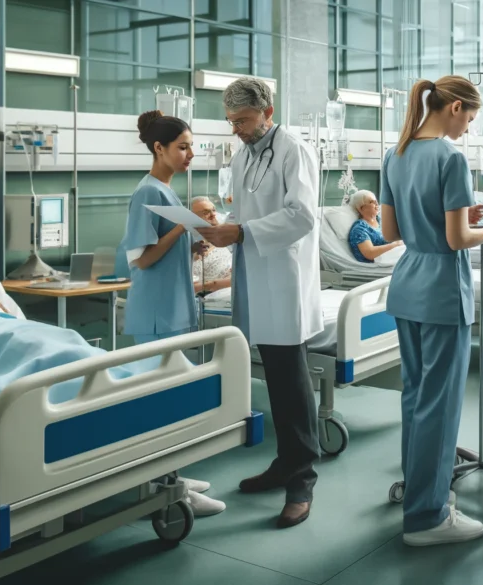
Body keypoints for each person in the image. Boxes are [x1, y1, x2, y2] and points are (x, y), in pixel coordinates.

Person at [380, 75, 483, 547]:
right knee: (440, 404)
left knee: (416, 397)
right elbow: (457, 240)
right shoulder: (451, 158)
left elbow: (391, 230)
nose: (469, 130)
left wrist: (447, 221)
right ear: (455, 107)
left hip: (407, 284)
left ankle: (416, 490)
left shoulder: (394, 154)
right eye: (471, 119)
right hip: (441, 288)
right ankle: (428, 516)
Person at [196, 76, 321, 529]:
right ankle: (285, 463)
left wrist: (243, 232)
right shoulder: (244, 154)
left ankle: (302, 479)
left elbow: (303, 214)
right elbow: (241, 210)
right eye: (232, 122)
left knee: (292, 379)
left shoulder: (294, 150)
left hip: (284, 280)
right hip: (255, 274)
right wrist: (221, 229)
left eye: (244, 120)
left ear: (268, 111)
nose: (238, 130)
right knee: (276, 379)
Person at [118, 112, 225, 518]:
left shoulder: (167, 192)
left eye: (192, 146)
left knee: (174, 399)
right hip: (157, 313)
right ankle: (168, 489)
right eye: (183, 147)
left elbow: (164, 250)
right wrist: (182, 232)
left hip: (173, 307)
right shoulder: (146, 193)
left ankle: (171, 474)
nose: (190, 154)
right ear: (159, 148)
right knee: (162, 404)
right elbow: (142, 260)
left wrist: (189, 246)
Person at [190, 196, 233, 294]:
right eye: (206, 213)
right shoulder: (187, 246)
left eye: (213, 210)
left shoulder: (228, 240)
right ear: (191, 218)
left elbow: (239, 277)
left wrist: (211, 285)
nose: (213, 215)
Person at [347, 190, 402, 263]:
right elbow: (370, 253)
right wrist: (395, 244)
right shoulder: (359, 229)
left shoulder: (380, 220)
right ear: (361, 208)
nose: (377, 204)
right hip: (375, 263)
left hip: (392, 256)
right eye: (371, 202)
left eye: (376, 201)